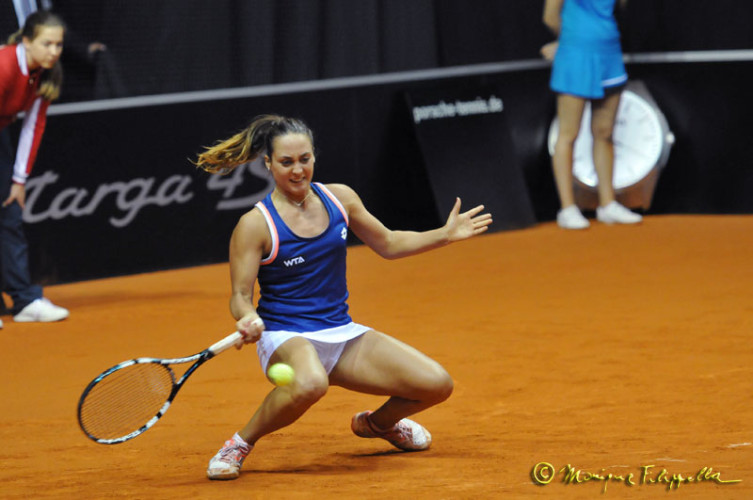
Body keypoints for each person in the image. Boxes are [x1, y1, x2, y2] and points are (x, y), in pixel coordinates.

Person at [193, 114, 493, 480]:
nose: (298, 170)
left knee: (436, 385)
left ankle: (378, 425)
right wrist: (246, 317)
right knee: (310, 383)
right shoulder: (255, 224)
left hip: (341, 333)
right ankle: (239, 443)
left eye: (304, 159)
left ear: (314, 157)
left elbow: (389, 242)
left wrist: (443, 235)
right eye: (286, 162)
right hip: (286, 336)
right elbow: (240, 295)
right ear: (268, 163)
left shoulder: (340, 198)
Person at [541, 0, 642, 230]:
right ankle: (567, 209)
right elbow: (550, 16)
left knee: (605, 132)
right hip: (575, 56)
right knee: (568, 134)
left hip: (610, 53)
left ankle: (608, 205)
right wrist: (568, 39)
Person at [0, 10, 70, 328]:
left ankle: (25, 301)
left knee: (10, 215)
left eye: (58, 44)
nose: (54, 51)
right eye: (47, 43)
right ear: (26, 41)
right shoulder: (3, 67)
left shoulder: (46, 72)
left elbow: (33, 126)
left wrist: (19, 179)